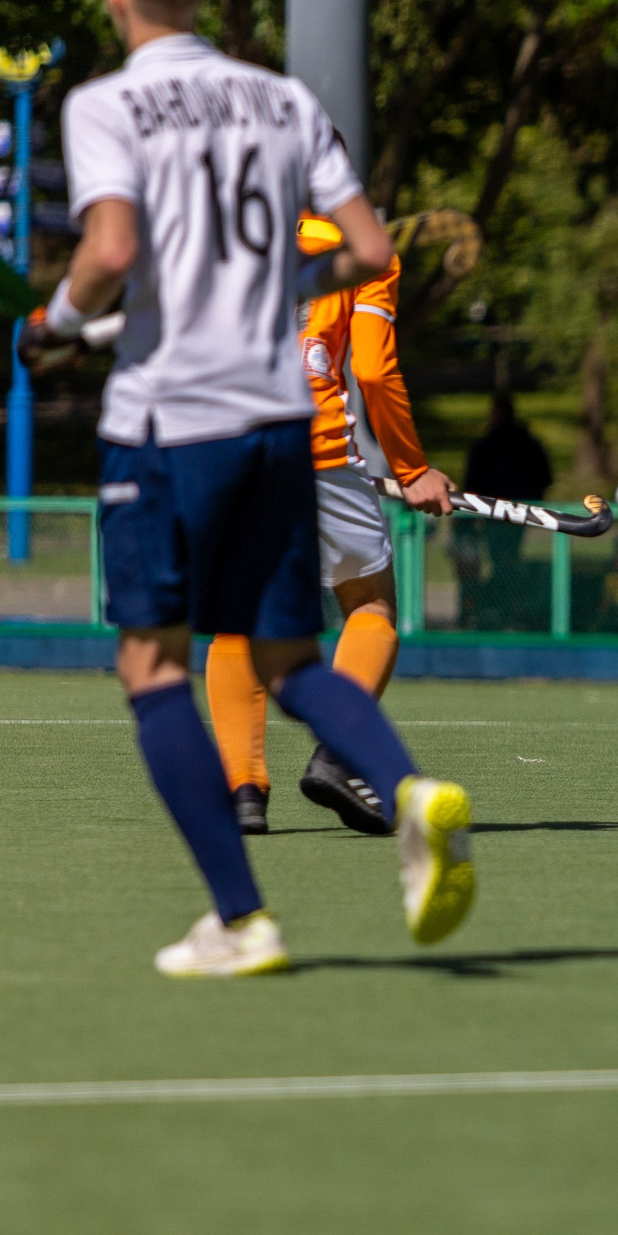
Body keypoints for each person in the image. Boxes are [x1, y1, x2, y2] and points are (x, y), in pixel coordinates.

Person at [23, 0, 473, 974]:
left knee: (151, 660)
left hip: (171, 424)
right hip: (284, 428)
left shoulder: (107, 103)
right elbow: (365, 249)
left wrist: (56, 326)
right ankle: (407, 789)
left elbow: (110, 253)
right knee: (286, 653)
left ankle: (240, 919)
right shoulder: (283, 100)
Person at [205, 211, 457, 835]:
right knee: (371, 606)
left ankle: (243, 792)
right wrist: (412, 466)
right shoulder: (366, 252)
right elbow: (371, 369)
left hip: (220, 450)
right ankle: (339, 755)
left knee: (239, 618)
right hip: (316, 450)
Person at [461, 391, 555, 629]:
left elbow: (542, 477)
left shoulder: (517, 445)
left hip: (512, 513)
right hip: (496, 514)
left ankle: (504, 609)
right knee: (503, 561)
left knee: (505, 561)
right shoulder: (494, 445)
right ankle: (499, 608)